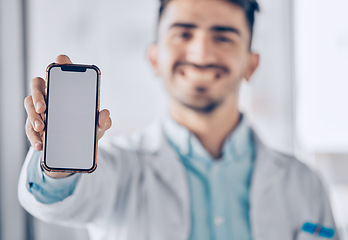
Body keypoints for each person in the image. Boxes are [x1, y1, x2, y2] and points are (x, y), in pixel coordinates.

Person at [19, 0, 339, 239]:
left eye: (223, 37)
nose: (201, 52)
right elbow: (55, 200)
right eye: (183, 34)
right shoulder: (118, 170)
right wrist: (58, 164)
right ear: (155, 58)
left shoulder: (305, 184)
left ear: (251, 64)